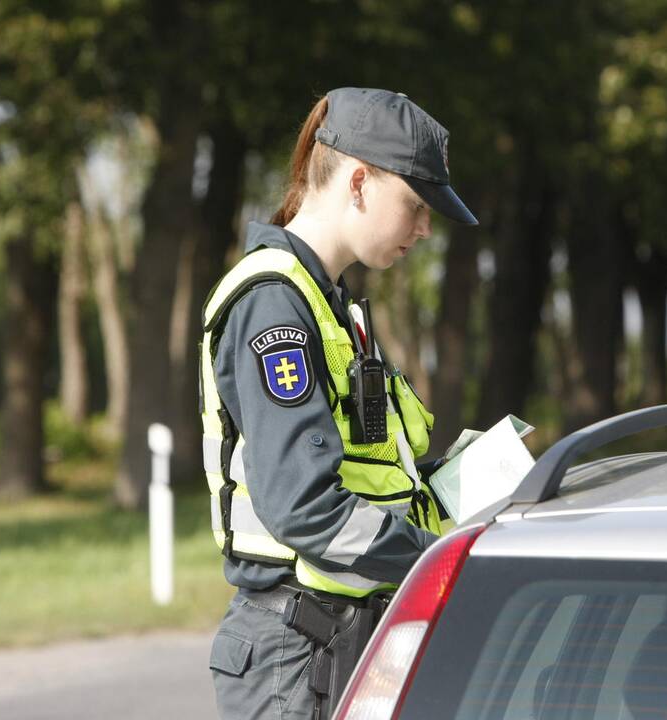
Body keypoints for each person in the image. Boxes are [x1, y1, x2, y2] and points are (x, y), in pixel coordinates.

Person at [201, 87, 478, 720]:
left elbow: (371, 474)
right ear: (358, 181)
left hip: (335, 642)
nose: (426, 228)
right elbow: (305, 509)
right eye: (415, 204)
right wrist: (438, 557)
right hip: (294, 655)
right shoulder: (275, 302)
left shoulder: (332, 304)